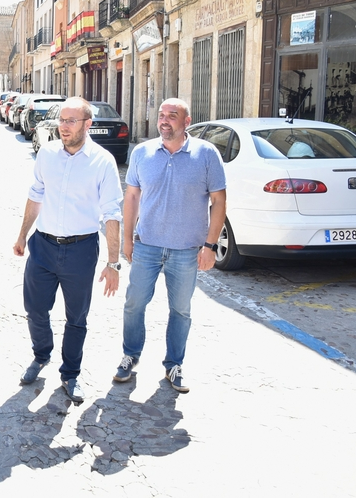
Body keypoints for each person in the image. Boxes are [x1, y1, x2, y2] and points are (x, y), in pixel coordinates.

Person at [13, 97, 124, 403]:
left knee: (77, 318)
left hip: (81, 250)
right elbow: (35, 195)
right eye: (62, 120)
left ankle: (70, 374)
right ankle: (41, 355)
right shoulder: (47, 154)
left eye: (71, 121)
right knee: (35, 309)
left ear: (88, 125)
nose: (64, 126)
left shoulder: (102, 162)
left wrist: (113, 263)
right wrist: (23, 235)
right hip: (43, 245)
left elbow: (111, 213)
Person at [113, 98, 226, 393]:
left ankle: (174, 365)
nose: (164, 121)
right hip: (147, 245)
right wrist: (127, 239)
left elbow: (219, 200)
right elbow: (132, 197)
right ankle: (130, 355)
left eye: (172, 116)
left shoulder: (206, 154)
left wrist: (210, 246)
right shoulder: (142, 152)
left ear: (186, 121)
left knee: (181, 310)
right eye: (161, 115)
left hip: (186, 250)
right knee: (134, 303)